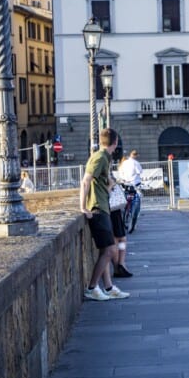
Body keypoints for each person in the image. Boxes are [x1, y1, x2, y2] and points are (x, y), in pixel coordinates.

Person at [79, 128, 130, 301]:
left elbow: (97, 183)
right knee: (109, 250)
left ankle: (108, 287)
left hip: (102, 206)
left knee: (105, 250)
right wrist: (83, 207)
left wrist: (109, 184)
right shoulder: (100, 158)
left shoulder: (103, 158)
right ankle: (92, 288)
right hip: (98, 209)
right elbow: (85, 181)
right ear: (115, 143)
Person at [117, 149, 142, 232]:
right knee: (137, 201)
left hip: (125, 184)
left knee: (125, 199)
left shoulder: (124, 163)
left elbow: (121, 173)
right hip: (135, 184)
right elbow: (139, 172)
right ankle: (133, 216)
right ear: (135, 155)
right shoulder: (136, 163)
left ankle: (125, 214)